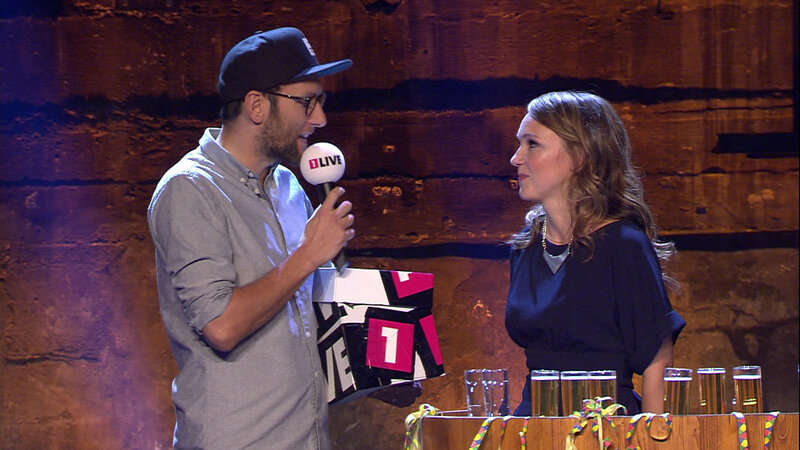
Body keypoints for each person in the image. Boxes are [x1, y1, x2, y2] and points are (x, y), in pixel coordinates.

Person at [147, 27, 356, 449]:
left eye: (321, 101)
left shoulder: (289, 186)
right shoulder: (190, 190)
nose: (320, 119)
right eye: (307, 102)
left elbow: (302, 316)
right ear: (257, 105)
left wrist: (374, 371)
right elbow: (221, 325)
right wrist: (309, 254)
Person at [505, 91, 686, 416]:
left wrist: (653, 436)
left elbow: (656, 360)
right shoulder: (527, 247)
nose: (516, 158)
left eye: (532, 144)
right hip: (535, 425)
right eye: (520, 144)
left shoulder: (623, 244)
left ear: (579, 157)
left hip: (603, 425)